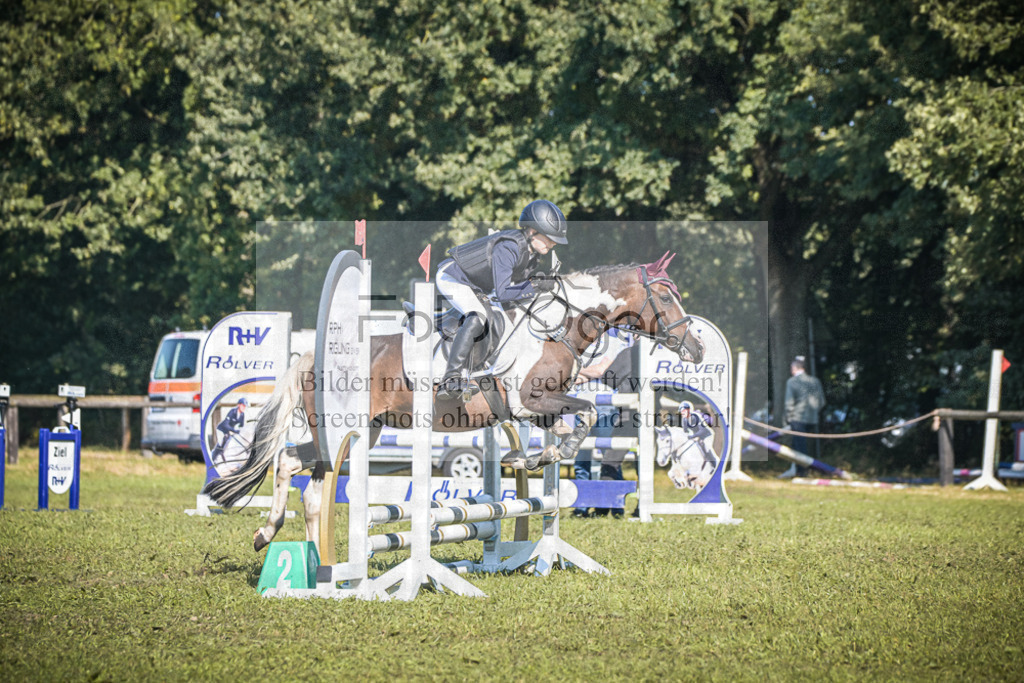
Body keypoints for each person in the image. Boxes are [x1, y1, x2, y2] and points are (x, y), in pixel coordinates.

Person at [434, 199, 568, 401]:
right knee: (478, 315)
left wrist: (537, 284)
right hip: (453, 278)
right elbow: (504, 292)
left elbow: (516, 291)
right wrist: (534, 286)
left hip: (476, 286)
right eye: (549, 237)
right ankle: (451, 378)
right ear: (532, 232)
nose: (553, 243)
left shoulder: (532, 255)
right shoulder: (509, 247)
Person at [570, 329, 633, 519]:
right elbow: (571, 374)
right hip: (579, 408)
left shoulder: (615, 344)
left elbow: (603, 371)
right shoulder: (578, 347)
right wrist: (591, 372)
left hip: (606, 408)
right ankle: (582, 508)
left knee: (610, 459)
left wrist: (582, 372)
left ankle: (616, 508)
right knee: (581, 462)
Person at [779, 356, 825, 478]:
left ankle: (802, 472)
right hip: (812, 419)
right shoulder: (815, 381)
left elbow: (789, 403)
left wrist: (789, 418)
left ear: (794, 368)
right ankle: (795, 468)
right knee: (798, 444)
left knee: (800, 446)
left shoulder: (792, 382)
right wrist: (814, 412)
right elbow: (821, 401)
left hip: (798, 418)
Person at [211, 397, 248, 463]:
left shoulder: (242, 414)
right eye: (243, 405)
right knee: (221, 442)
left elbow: (241, 426)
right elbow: (225, 424)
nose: (244, 407)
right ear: (239, 405)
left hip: (230, 430)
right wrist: (234, 430)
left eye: (245, 406)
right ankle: (214, 458)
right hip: (222, 429)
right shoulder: (232, 411)